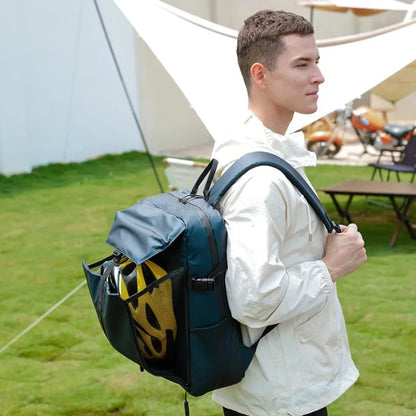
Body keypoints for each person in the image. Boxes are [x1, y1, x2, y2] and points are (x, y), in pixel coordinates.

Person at [211, 10, 367, 416]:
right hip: (279, 393)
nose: (319, 76)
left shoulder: (259, 149)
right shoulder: (260, 179)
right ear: (260, 75)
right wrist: (331, 266)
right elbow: (253, 298)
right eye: (302, 64)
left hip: (279, 381)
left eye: (317, 61)